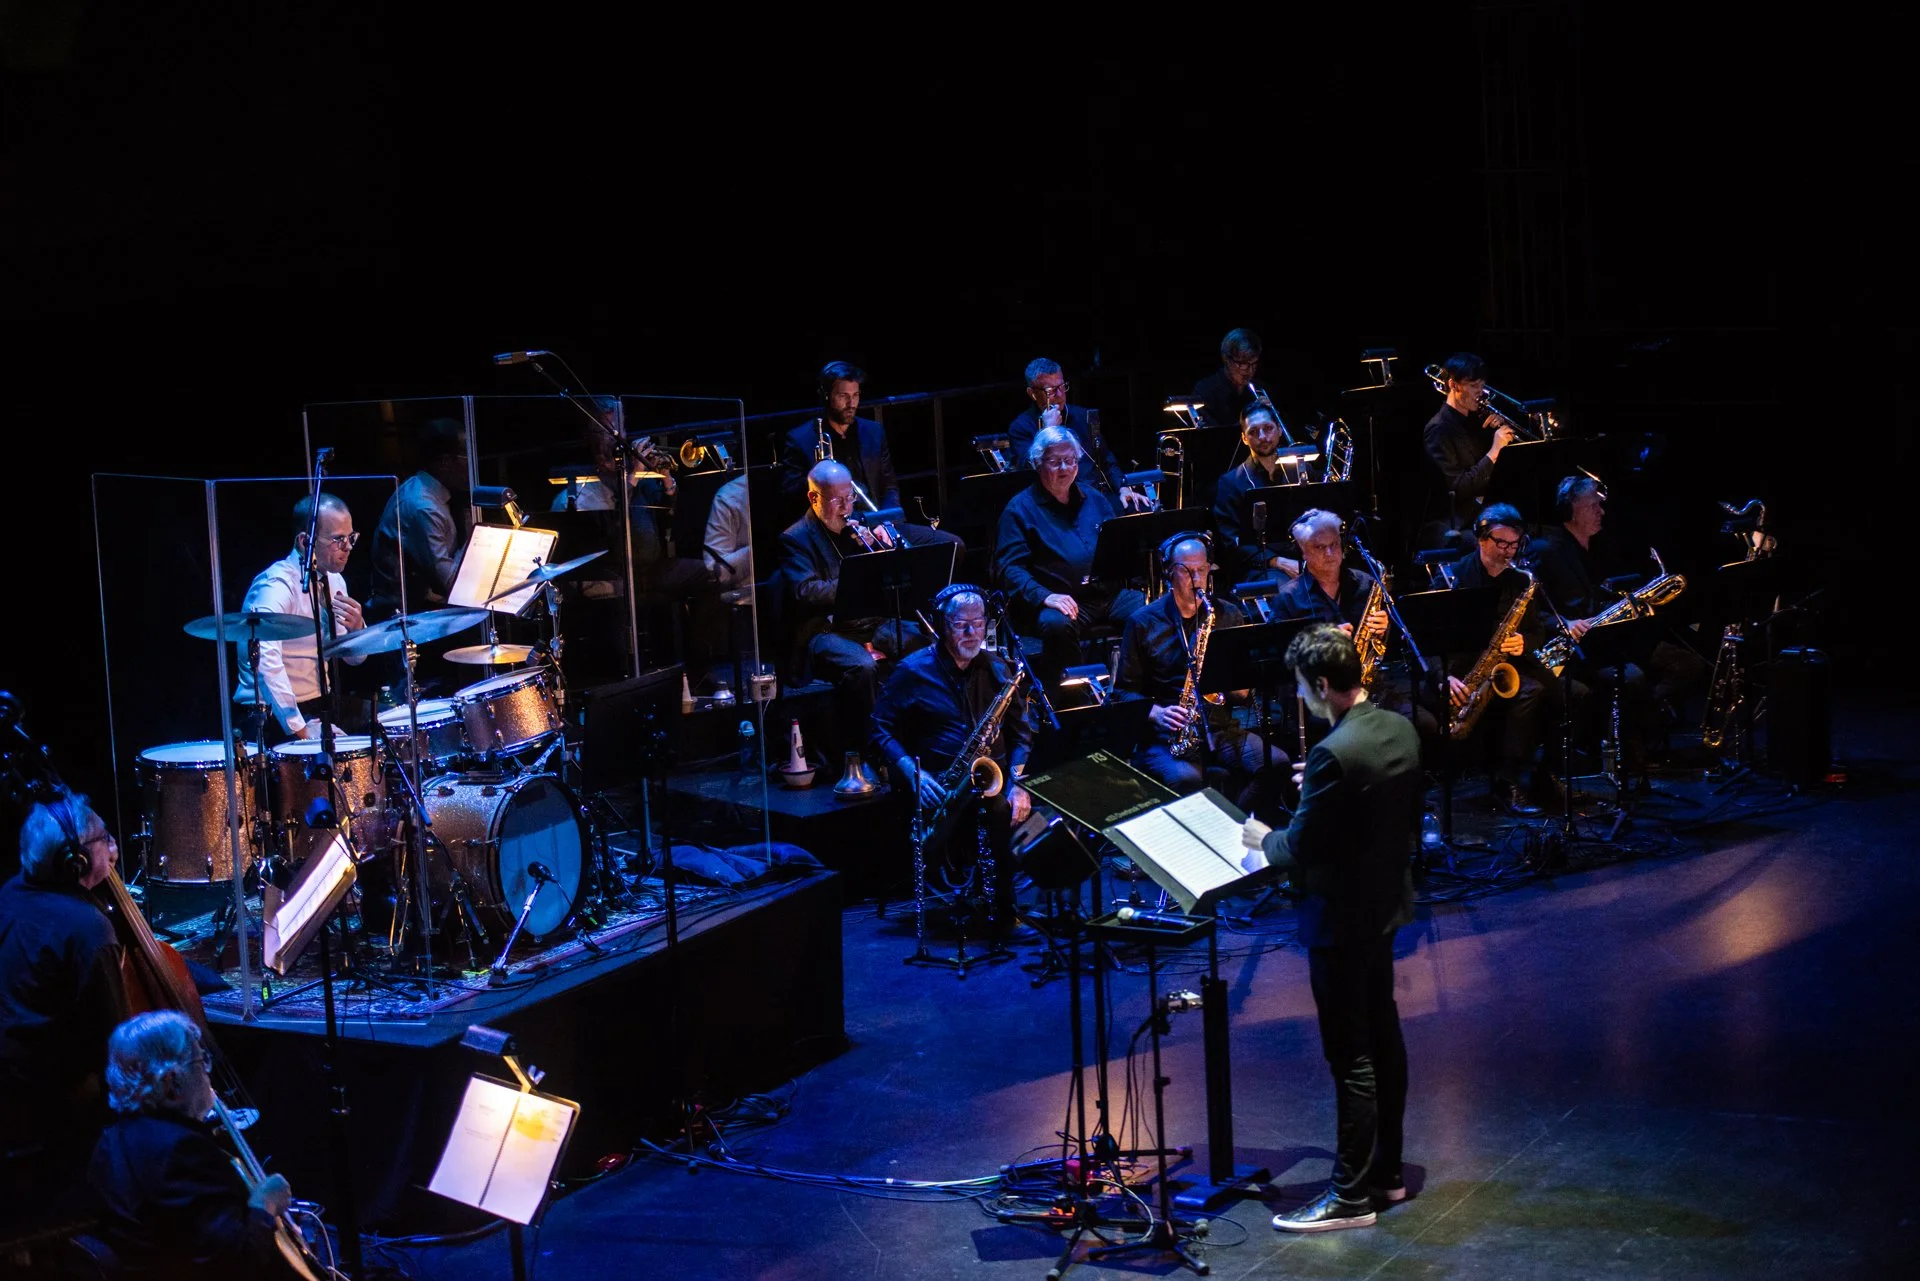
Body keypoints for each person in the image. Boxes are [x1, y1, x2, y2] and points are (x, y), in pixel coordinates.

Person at [1240, 624, 1420, 1231]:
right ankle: (1387, 1174)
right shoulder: (1397, 727)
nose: (1301, 697)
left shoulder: (1332, 753)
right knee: (1384, 1036)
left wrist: (1264, 838)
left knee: (1352, 1056)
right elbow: (1366, 811)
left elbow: (1300, 846)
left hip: (1341, 921)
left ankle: (1348, 1197)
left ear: (1321, 684)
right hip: (1384, 910)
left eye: (1301, 687)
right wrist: (1320, 790)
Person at [89, 1010, 300, 1278]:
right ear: (173, 1083)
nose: (209, 1074)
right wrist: (265, 1205)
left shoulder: (111, 1140)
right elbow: (240, 1262)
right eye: (201, 1062)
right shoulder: (183, 1151)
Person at [871, 585, 1033, 927]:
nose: (972, 632)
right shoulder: (913, 671)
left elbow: (1022, 734)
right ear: (942, 625)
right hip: (940, 784)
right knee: (998, 811)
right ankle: (1003, 913)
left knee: (1041, 817)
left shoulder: (997, 669)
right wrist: (913, 773)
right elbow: (880, 728)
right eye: (961, 625)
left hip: (991, 777)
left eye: (979, 623)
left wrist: (1019, 783)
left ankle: (1003, 898)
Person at [1115, 534, 1288, 823]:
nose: (1197, 580)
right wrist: (1157, 713)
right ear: (1170, 573)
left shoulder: (1228, 614)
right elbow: (1122, 692)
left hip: (1219, 727)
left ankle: (1235, 825)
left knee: (1277, 763)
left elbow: (1240, 693)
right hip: (1166, 736)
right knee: (1186, 779)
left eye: (1202, 570)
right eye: (1187, 571)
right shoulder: (1142, 622)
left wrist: (1239, 684)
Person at [0, 792, 129, 1177]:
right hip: (49, 1112)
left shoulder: (9, 893)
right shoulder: (88, 929)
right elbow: (116, 1045)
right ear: (77, 860)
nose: (113, 848)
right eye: (104, 839)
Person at [775, 459, 933, 736]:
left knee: (923, 645)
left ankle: (920, 732)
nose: (846, 507)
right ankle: (872, 743)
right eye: (837, 500)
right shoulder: (795, 538)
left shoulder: (859, 526)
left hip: (871, 622)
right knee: (863, 666)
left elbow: (892, 576)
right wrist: (857, 577)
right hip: (827, 629)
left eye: (850, 497)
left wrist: (882, 552)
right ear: (814, 498)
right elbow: (805, 591)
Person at [1273, 510, 1440, 755]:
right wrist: (1324, 641)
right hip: (1322, 694)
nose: (1330, 553)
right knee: (1361, 739)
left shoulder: (1366, 583)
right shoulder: (1288, 597)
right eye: (1320, 547)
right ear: (1303, 552)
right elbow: (1280, 658)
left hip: (1371, 685)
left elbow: (1395, 647)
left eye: (1334, 545)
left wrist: (1386, 628)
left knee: (1425, 725)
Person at [994, 427, 1145, 688]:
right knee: (1056, 624)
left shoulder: (1095, 498)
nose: (1064, 468)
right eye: (1055, 462)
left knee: (1152, 608)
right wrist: (1045, 596)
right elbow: (1009, 568)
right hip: (1060, 600)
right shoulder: (1019, 510)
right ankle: (1074, 698)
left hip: (1106, 594)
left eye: (1070, 460)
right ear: (1037, 463)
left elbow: (1119, 547)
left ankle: (1135, 690)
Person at [1442, 504, 1560, 815]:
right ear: (1481, 539)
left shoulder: (1522, 579)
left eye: (1514, 544)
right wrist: (1443, 677)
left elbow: (1537, 629)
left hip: (1509, 666)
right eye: (1501, 543)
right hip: (1463, 670)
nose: (1509, 552)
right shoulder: (1454, 577)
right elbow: (1426, 637)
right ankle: (1507, 782)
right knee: (1531, 692)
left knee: (1565, 690)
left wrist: (1524, 642)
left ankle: (1535, 776)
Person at [778, 361, 960, 551]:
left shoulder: (873, 432)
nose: (851, 404)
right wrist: (818, 472)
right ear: (826, 396)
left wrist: (886, 522)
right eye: (843, 396)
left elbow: (889, 487)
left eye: (855, 395)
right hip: (839, 530)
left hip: (877, 522)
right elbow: (791, 496)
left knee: (953, 545)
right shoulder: (801, 439)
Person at [232, 493, 368, 743]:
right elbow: (265, 661)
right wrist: (300, 729)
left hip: (318, 704)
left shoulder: (334, 580)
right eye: (338, 539)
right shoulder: (277, 585)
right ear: (305, 542)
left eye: (351, 537)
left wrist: (357, 631)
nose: (348, 547)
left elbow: (353, 659)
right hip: (271, 714)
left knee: (383, 725)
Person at [1006, 358, 1149, 511]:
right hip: (1058, 503)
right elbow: (1030, 470)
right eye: (1050, 391)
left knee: (1141, 509)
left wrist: (1122, 487)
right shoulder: (1021, 427)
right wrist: (1049, 431)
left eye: (1062, 386)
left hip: (1097, 495)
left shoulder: (1082, 416)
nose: (1059, 394)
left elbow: (1106, 459)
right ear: (1033, 393)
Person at [368, 417, 471, 620]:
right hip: (403, 617)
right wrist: (475, 541)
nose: (472, 465)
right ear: (445, 463)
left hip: (423, 608)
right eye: (466, 456)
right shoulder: (423, 508)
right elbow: (451, 584)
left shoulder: (425, 488)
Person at [1422, 352, 1519, 536]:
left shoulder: (1477, 422)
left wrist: (1497, 434)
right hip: (1459, 524)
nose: (1480, 392)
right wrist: (1495, 449)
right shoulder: (1438, 429)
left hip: (1488, 514)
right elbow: (1457, 489)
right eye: (1473, 386)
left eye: (1482, 386)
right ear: (1453, 385)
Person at [1212, 403, 1309, 585]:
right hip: (1260, 567)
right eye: (1254, 432)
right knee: (1285, 588)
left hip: (1305, 558)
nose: (1263, 437)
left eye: (1268, 428)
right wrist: (1275, 561)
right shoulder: (1230, 483)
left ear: (1280, 430)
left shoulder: (1302, 470)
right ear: (1244, 438)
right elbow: (1231, 541)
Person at [1192, 327, 1263, 432]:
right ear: (1227, 359)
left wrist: (1270, 416)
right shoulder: (1205, 391)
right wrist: (1251, 419)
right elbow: (1212, 435)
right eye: (1243, 363)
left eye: (1254, 363)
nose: (1250, 370)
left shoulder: (1261, 389)